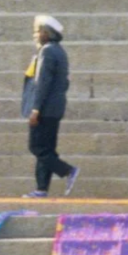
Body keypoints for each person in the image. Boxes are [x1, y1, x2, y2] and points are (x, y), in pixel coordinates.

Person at [20, 14, 80, 199]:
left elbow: (42, 83)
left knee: (37, 147)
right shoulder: (59, 51)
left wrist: (35, 109)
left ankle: (67, 170)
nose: (36, 35)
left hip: (44, 110)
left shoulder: (46, 52)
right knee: (47, 150)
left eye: (38, 31)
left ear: (46, 33)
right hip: (55, 109)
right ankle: (41, 189)